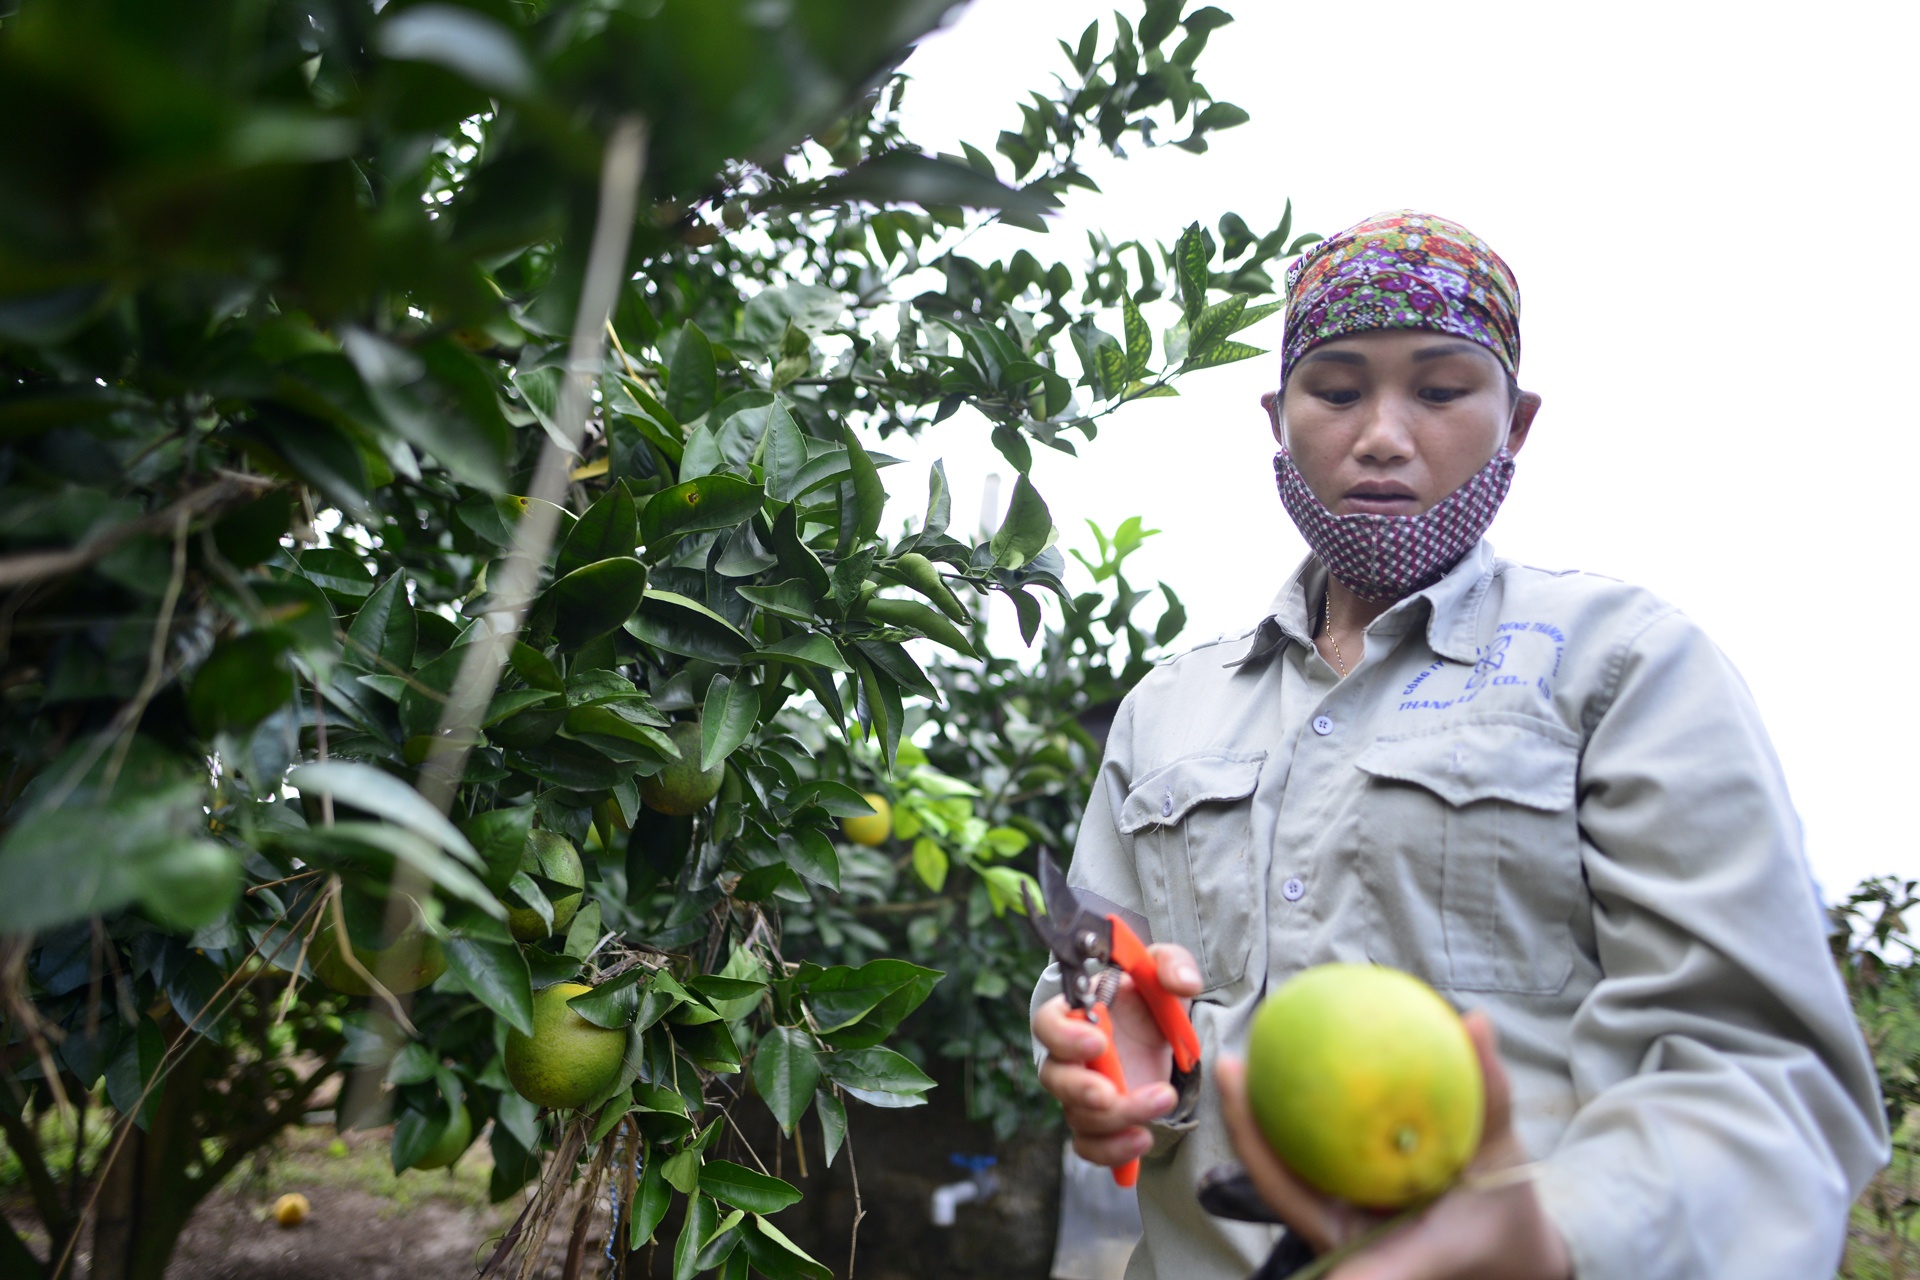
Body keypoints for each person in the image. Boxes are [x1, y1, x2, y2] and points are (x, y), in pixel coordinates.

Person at [1028, 210, 1887, 1280]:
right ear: (1278, 415)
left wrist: (1561, 1235)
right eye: (1336, 389)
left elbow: (1762, 1072)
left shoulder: (1623, 668)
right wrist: (1110, 1049)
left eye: (1439, 391)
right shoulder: (1169, 708)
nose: (1383, 434)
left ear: (1516, 421)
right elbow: (1101, 972)